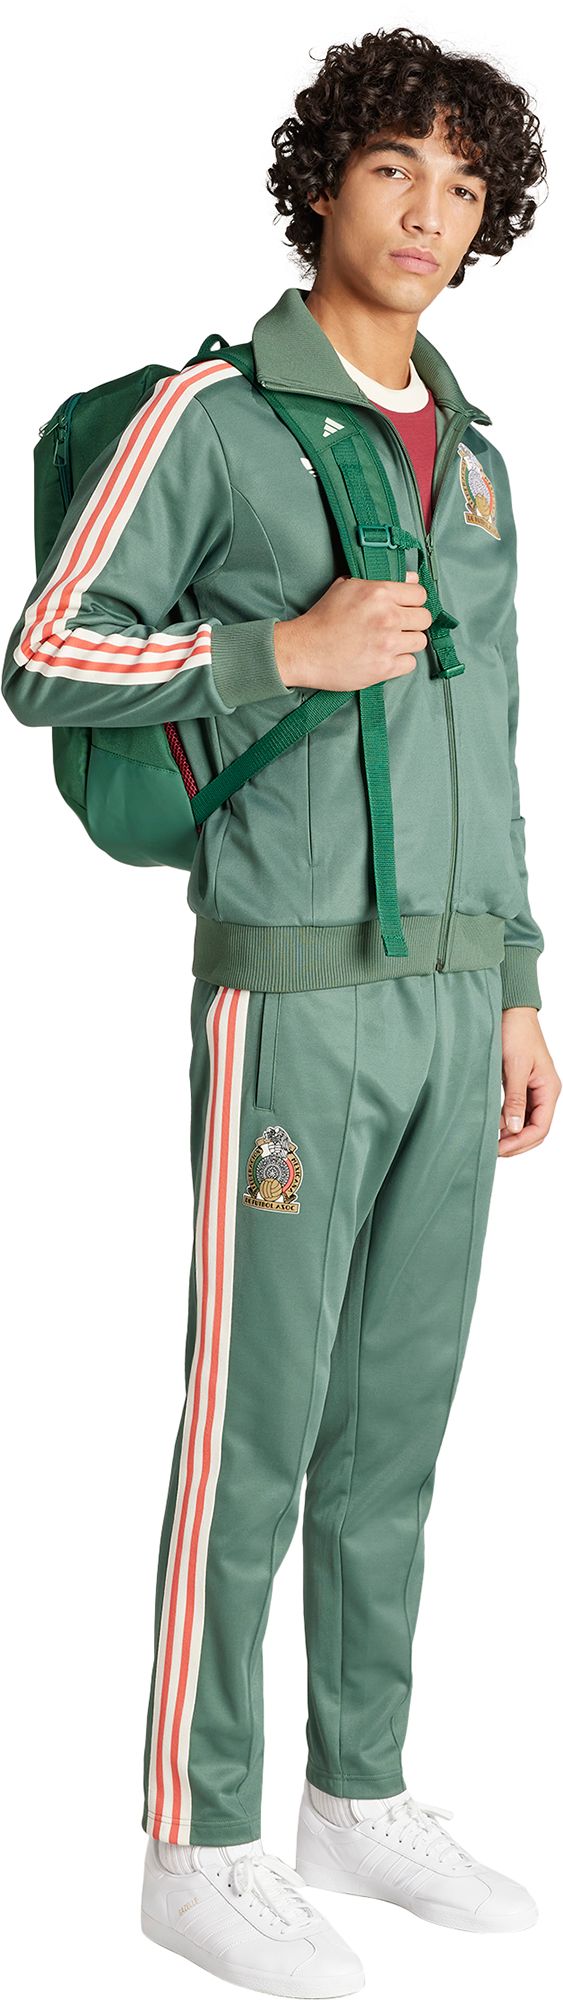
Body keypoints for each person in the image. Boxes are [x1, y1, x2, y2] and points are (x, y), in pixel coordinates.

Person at [3, 23, 561, 1996]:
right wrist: (278, 651)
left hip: (451, 1007)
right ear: (324, 181)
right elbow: (44, 654)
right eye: (396, 167)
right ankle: (196, 1838)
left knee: (397, 1424)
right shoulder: (211, 416)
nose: (429, 212)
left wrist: (518, 984)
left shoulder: (475, 462)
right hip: (295, 1002)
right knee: (254, 1425)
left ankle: (359, 1791)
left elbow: (495, 744)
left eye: (466, 186)